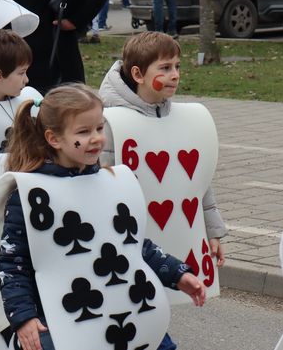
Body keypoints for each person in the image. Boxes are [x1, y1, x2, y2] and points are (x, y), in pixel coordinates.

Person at [0, 84, 205, 350]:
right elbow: (13, 265)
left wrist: (177, 274)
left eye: (98, 128)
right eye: (84, 132)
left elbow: (134, 246)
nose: (96, 138)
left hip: (127, 308)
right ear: (54, 138)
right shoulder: (29, 196)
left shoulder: (114, 183)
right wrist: (24, 317)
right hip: (64, 318)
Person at [98, 32, 226, 350]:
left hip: (168, 242)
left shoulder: (185, 119)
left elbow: (197, 180)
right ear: (138, 74)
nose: (175, 75)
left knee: (152, 309)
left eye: (178, 66)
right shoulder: (109, 122)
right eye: (165, 68)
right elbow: (101, 181)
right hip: (126, 241)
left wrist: (212, 230)